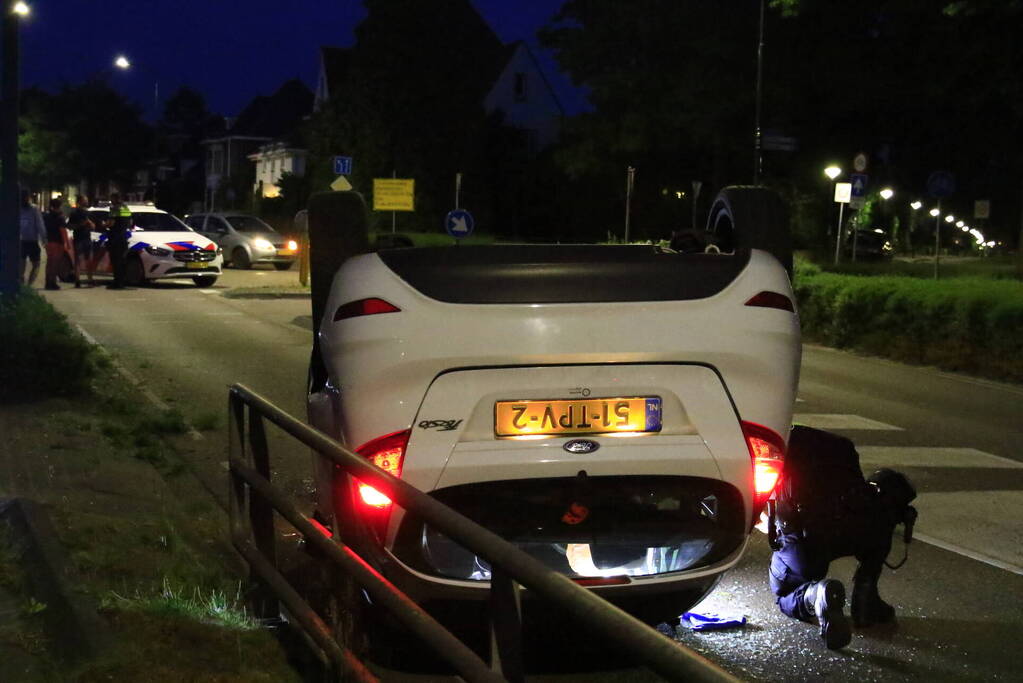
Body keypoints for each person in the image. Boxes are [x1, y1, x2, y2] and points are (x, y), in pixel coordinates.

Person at [767, 426, 917, 650]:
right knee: (878, 520)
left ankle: (815, 595)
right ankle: (865, 601)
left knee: (786, 593)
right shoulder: (841, 447)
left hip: (807, 539)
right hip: (856, 529)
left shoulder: (774, 445)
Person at [103, 193, 132, 289]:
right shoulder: (126, 208)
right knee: (122, 261)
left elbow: (110, 223)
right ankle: (122, 282)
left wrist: (104, 224)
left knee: (115, 261)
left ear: (115, 199)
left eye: (112, 199)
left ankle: (117, 283)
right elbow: (130, 223)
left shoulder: (114, 209)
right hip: (123, 237)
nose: (111, 201)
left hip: (115, 238)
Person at [18, 190, 46, 286]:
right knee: (36, 264)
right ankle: (29, 285)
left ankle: (21, 284)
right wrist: (44, 238)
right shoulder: (34, 209)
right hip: (32, 240)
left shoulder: (18, 208)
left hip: (21, 240)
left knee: (22, 263)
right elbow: (39, 224)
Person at [42, 198, 70, 291]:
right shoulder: (60, 217)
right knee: (55, 263)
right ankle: (52, 282)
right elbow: (63, 231)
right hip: (57, 242)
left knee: (50, 262)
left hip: (49, 241)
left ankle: (48, 281)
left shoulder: (46, 216)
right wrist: (66, 243)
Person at [69, 195, 96, 287]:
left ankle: (90, 280)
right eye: (85, 200)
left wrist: (91, 224)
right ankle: (77, 280)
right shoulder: (74, 213)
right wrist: (81, 224)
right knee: (78, 260)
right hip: (78, 238)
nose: (87, 202)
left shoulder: (88, 213)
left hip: (87, 238)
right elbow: (70, 226)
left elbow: (93, 226)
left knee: (89, 260)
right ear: (80, 201)